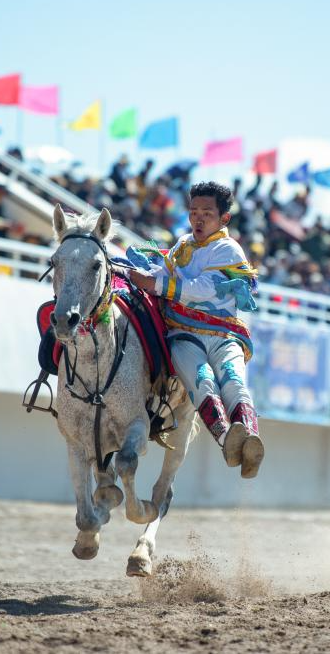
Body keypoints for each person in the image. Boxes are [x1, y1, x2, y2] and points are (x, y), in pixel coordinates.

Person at [127, 181, 265, 478]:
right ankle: (228, 441)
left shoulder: (228, 249)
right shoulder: (181, 245)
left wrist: (154, 283)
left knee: (233, 382)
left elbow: (202, 289)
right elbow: (161, 274)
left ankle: (251, 439)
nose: (198, 219)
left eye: (207, 213)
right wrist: (139, 273)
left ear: (224, 218)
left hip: (225, 336)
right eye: (193, 212)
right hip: (184, 334)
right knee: (203, 382)